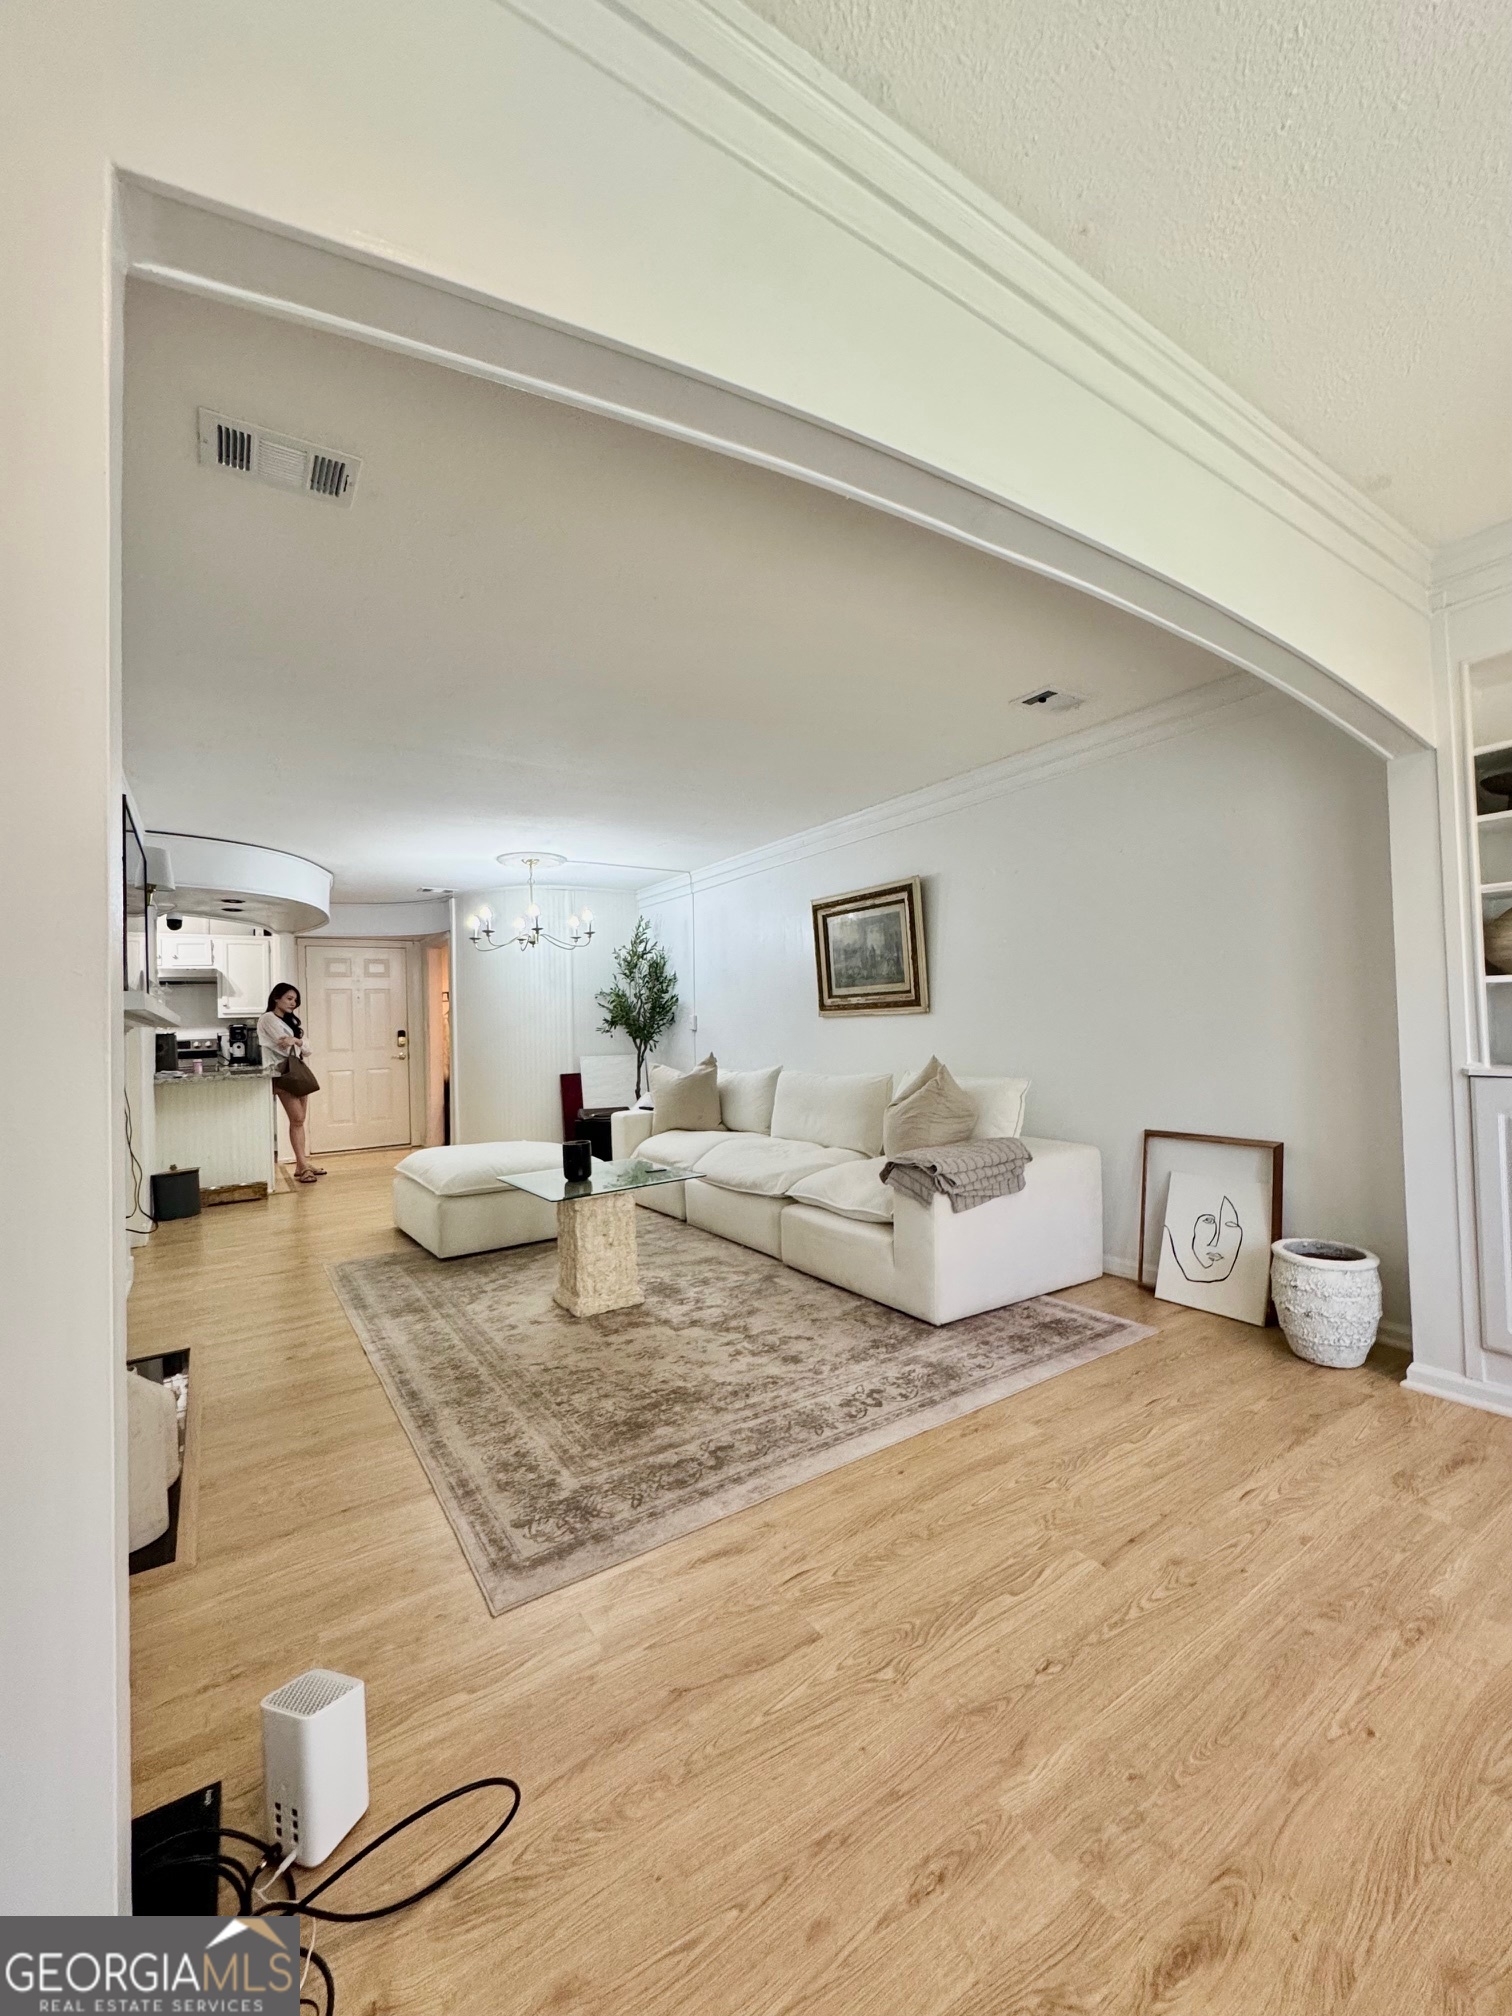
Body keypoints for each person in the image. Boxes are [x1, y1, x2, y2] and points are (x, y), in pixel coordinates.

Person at [258, 984, 325, 1184]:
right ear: (276, 998)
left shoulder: (289, 1022)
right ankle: (302, 1165)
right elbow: (284, 1046)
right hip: (283, 1073)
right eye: (289, 998)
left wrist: (296, 1040)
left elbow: (307, 1048)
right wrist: (297, 1043)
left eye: (295, 1000)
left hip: (295, 1071)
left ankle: (301, 1164)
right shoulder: (268, 1018)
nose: (293, 1003)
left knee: (299, 1120)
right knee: (297, 1118)